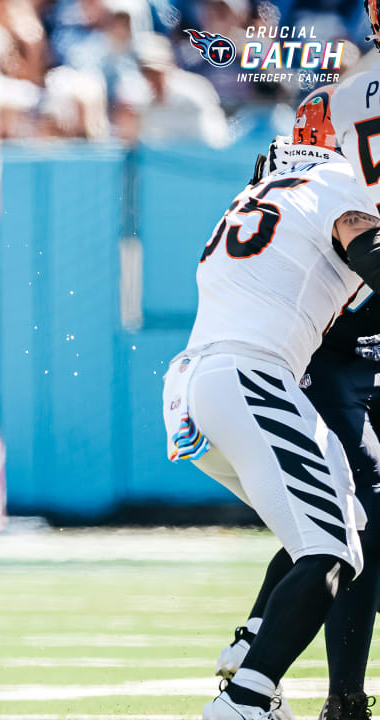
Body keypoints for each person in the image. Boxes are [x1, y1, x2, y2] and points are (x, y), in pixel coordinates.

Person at [161, 85, 380, 720]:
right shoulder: (341, 184)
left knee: (346, 524)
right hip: (250, 378)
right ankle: (247, 702)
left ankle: (257, 638)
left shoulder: (272, 187)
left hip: (201, 382)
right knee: (332, 549)